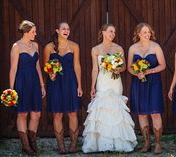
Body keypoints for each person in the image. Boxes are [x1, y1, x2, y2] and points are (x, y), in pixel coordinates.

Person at [82, 24, 137, 153]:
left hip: (115, 81)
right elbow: (95, 69)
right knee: (102, 109)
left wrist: (117, 69)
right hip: (102, 81)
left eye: (114, 32)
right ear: (103, 32)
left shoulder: (119, 48)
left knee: (116, 109)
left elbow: (123, 66)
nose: (113, 34)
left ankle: (118, 143)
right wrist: (92, 86)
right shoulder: (95, 49)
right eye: (110, 31)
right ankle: (102, 144)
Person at [43, 22, 83, 154]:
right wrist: (51, 74)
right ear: (57, 31)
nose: (66, 31)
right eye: (63, 29)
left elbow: (77, 66)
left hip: (70, 81)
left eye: (68, 29)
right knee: (57, 114)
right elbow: (46, 66)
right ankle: (61, 146)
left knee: (72, 112)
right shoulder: (49, 47)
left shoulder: (74, 46)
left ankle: (73, 145)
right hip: (55, 82)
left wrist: (79, 85)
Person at [127, 22, 166, 154]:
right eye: (144, 32)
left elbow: (163, 65)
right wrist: (137, 73)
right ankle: (146, 143)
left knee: (155, 113)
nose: (148, 34)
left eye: (149, 32)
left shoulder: (156, 47)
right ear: (138, 34)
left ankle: (158, 143)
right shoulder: (132, 48)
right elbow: (129, 68)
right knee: (142, 113)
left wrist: (149, 72)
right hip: (138, 83)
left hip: (154, 83)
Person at [9, 20, 46, 155]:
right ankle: (25, 146)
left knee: (36, 113)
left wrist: (42, 84)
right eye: (33, 32)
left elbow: (37, 66)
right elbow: (13, 69)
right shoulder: (16, 46)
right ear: (25, 32)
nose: (35, 34)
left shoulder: (35, 45)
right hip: (21, 81)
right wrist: (11, 90)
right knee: (23, 113)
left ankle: (32, 141)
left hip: (35, 82)